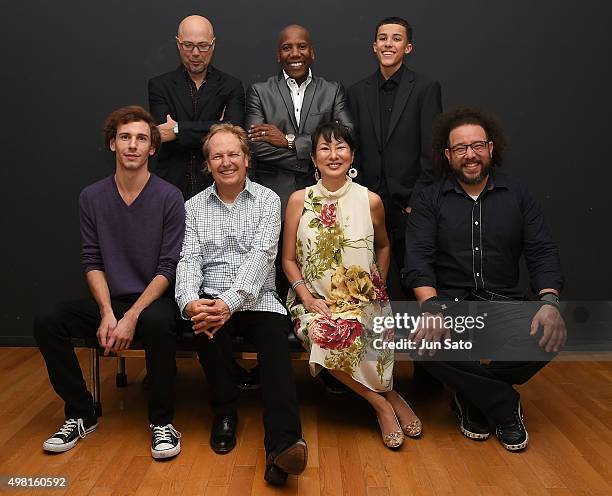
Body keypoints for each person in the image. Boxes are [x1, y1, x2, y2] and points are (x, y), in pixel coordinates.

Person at [403, 107, 566, 451]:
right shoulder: (430, 200)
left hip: (505, 305)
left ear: (491, 148)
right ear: (448, 156)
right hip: (451, 309)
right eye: (460, 148)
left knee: (556, 329)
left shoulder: (519, 196)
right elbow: (417, 260)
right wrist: (431, 307)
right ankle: (504, 405)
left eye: (477, 146)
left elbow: (542, 252)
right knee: (419, 338)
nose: (470, 155)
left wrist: (549, 301)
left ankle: (472, 398)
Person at [34, 106, 185, 459]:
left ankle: (162, 422)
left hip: (152, 300)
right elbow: (93, 260)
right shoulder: (92, 197)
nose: (132, 145)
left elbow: (168, 267)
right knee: (47, 320)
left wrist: (131, 315)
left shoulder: (169, 196)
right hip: (110, 299)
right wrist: (106, 312)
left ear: (152, 148)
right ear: (112, 144)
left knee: (161, 323)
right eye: (125, 137)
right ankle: (81, 413)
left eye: (141, 138)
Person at [175, 123, 306, 485]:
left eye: (233, 154)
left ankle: (283, 445)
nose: (226, 161)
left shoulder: (267, 200)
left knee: (275, 346)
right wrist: (190, 303)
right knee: (207, 330)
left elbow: (264, 257)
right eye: (217, 156)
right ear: (207, 165)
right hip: (211, 297)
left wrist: (228, 303)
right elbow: (187, 260)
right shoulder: (193, 207)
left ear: (247, 160)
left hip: (259, 299)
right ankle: (225, 414)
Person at [282, 121, 422, 449]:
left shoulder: (370, 200)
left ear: (352, 155)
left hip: (363, 297)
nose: (333, 155)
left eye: (341, 147)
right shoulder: (298, 200)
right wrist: (306, 297)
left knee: (371, 328)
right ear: (313, 158)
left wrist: (379, 284)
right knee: (324, 336)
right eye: (325, 149)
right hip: (313, 299)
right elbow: (288, 259)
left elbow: (385, 246)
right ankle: (383, 403)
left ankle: (389, 393)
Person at [347, 16, 442, 301]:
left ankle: (418, 339)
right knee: (369, 277)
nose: (389, 44)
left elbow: (432, 150)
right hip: (369, 201)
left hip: (410, 203)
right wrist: (360, 195)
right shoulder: (356, 92)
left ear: (408, 47)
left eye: (396, 38)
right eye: (383, 38)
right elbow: (355, 149)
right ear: (374, 46)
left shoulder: (426, 88)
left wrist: (417, 201)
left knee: (412, 272)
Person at [246, 24, 354, 219]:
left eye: (302, 46)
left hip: (325, 195)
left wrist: (289, 141)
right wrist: (312, 159)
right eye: (287, 48)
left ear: (312, 52)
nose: (295, 53)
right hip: (272, 200)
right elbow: (255, 147)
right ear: (278, 55)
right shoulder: (259, 92)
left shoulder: (332, 90)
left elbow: (347, 133)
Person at [148, 14, 245, 199]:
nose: (195, 53)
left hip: (217, 187)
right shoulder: (159, 86)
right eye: (187, 45)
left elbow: (234, 132)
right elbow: (162, 133)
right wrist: (217, 126)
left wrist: (177, 129)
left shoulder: (231, 86)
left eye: (203, 46)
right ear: (178, 44)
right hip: (171, 187)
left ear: (213, 44)